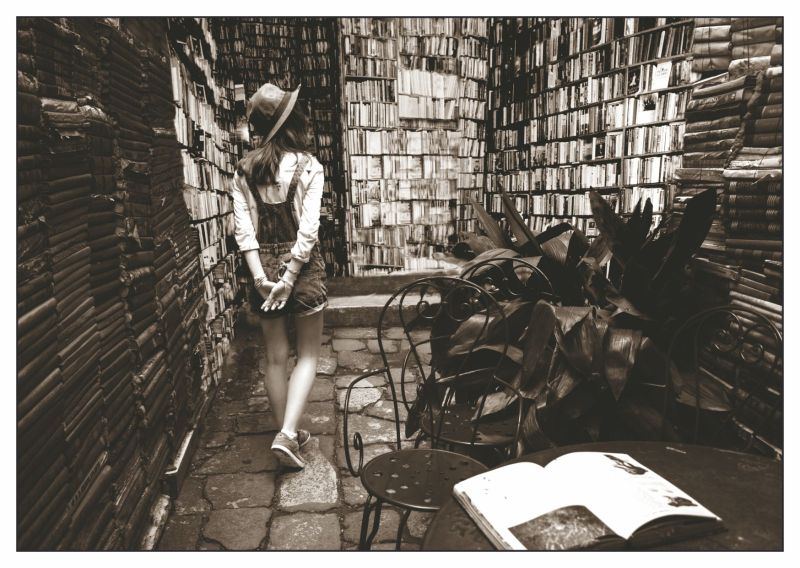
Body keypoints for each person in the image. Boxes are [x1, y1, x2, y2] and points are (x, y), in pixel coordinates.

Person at [232, 83, 328, 469]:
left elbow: (244, 234)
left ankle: (286, 432)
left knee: (274, 357)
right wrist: (289, 278)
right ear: (291, 122)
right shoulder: (309, 166)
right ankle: (287, 434)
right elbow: (309, 230)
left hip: (263, 269)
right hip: (301, 270)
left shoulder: (244, 170)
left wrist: (261, 280)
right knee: (308, 355)